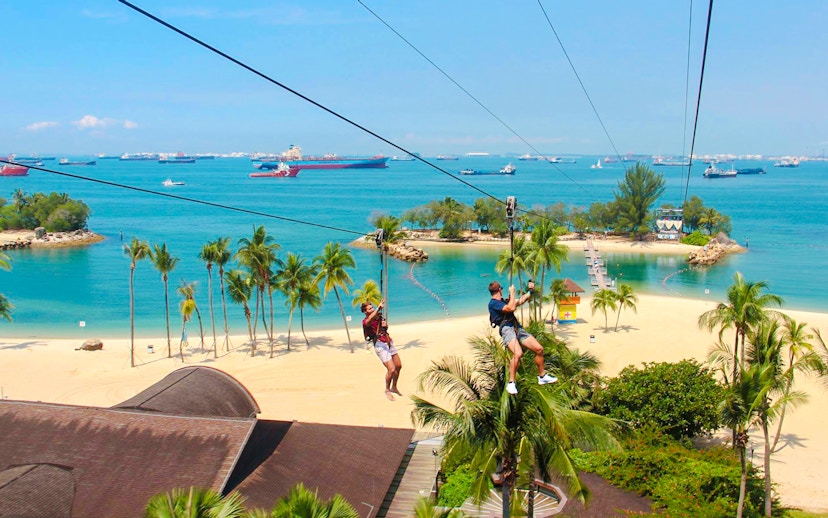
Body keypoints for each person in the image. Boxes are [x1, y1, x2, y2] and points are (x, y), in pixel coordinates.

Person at [488, 280, 557, 395]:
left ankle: (542, 376)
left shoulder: (504, 301)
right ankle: (511, 383)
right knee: (518, 353)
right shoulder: (493, 303)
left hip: (517, 328)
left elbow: (520, 301)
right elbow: (510, 308)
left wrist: (530, 291)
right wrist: (512, 292)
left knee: (539, 349)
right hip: (507, 329)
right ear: (500, 290)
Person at [361, 300, 402, 401]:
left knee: (398, 366)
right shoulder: (365, 321)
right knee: (391, 369)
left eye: (372, 308)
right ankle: (387, 389)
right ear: (365, 311)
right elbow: (369, 321)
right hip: (380, 345)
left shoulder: (378, 316)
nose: (372, 309)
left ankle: (394, 387)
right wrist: (378, 308)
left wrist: (385, 325)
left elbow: (385, 328)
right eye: (369, 309)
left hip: (387, 341)